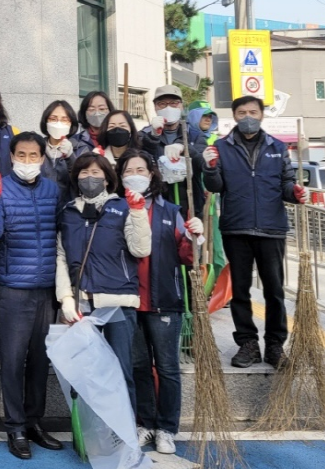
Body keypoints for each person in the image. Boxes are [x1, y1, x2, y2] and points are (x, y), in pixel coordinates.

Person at [202, 96, 306, 369]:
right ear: (234, 116)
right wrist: (209, 168)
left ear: (262, 115)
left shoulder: (278, 147)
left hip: (272, 228)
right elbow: (214, 187)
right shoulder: (221, 147)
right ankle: (247, 343)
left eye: (253, 111)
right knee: (240, 291)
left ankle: (274, 346)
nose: (247, 116)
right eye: (241, 112)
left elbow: (286, 185)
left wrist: (295, 194)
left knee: (274, 290)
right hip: (236, 227)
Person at [0, 131, 63, 460]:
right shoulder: (1, 188)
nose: (27, 161)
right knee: (13, 362)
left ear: (43, 159)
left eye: (34, 156)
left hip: (46, 288)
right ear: (11, 157)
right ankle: (14, 426)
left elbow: (61, 232)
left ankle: (34, 422)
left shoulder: (53, 189)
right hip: (13, 288)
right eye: (21, 155)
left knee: (40, 361)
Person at [55, 154, 151, 425]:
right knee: (86, 372)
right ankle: (92, 433)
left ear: (108, 178)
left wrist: (138, 212)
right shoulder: (67, 212)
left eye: (96, 172)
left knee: (120, 370)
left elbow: (141, 249)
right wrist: (65, 298)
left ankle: (124, 432)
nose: (89, 178)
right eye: (83, 173)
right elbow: (60, 256)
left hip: (118, 301)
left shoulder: (123, 207)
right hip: (82, 304)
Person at [119, 152, 201, 456]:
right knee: (139, 366)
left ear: (153, 174)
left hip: (165, 300)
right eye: (129, 170)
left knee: (167, 368)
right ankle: (146, 423)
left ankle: (167, 428)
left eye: (141, 169)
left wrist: (194, 237)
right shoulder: (117, 208)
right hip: (129, 301)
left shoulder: (170, 210)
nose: (136, 174)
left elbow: (187, 257)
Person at [140, 85, 206, 221]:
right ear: (155, 107)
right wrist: (153, 137)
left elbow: (203, 165)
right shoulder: (144, 135)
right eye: (162, 104)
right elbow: (140, 161)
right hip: (157, 206)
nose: (168, 108)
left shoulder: (194, 135)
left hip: (191, 208)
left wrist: (185, 147)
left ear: (181, 106)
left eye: (173, 103)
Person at [39, 100, 88, 179]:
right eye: (53, 119)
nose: (59, 123)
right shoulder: (38, 147)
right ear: (45, 121)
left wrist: (70, 156)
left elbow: (83, 180)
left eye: (64, 120)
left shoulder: (80, 149)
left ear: (71, 123)